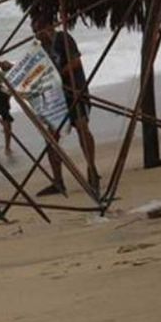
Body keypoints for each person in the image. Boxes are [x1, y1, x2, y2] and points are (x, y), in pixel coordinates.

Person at [32, 18, 99, 196]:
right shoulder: (40, 49)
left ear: (48, 27)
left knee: (82, 128)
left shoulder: (63, 39)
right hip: (57, 97)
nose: (37, 35)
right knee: (51, 138)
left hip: (75, 91)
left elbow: (76, 62)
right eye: (34, 31)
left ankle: (92, 170)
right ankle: (58, 181)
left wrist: (59, 75)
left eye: (38, 30)